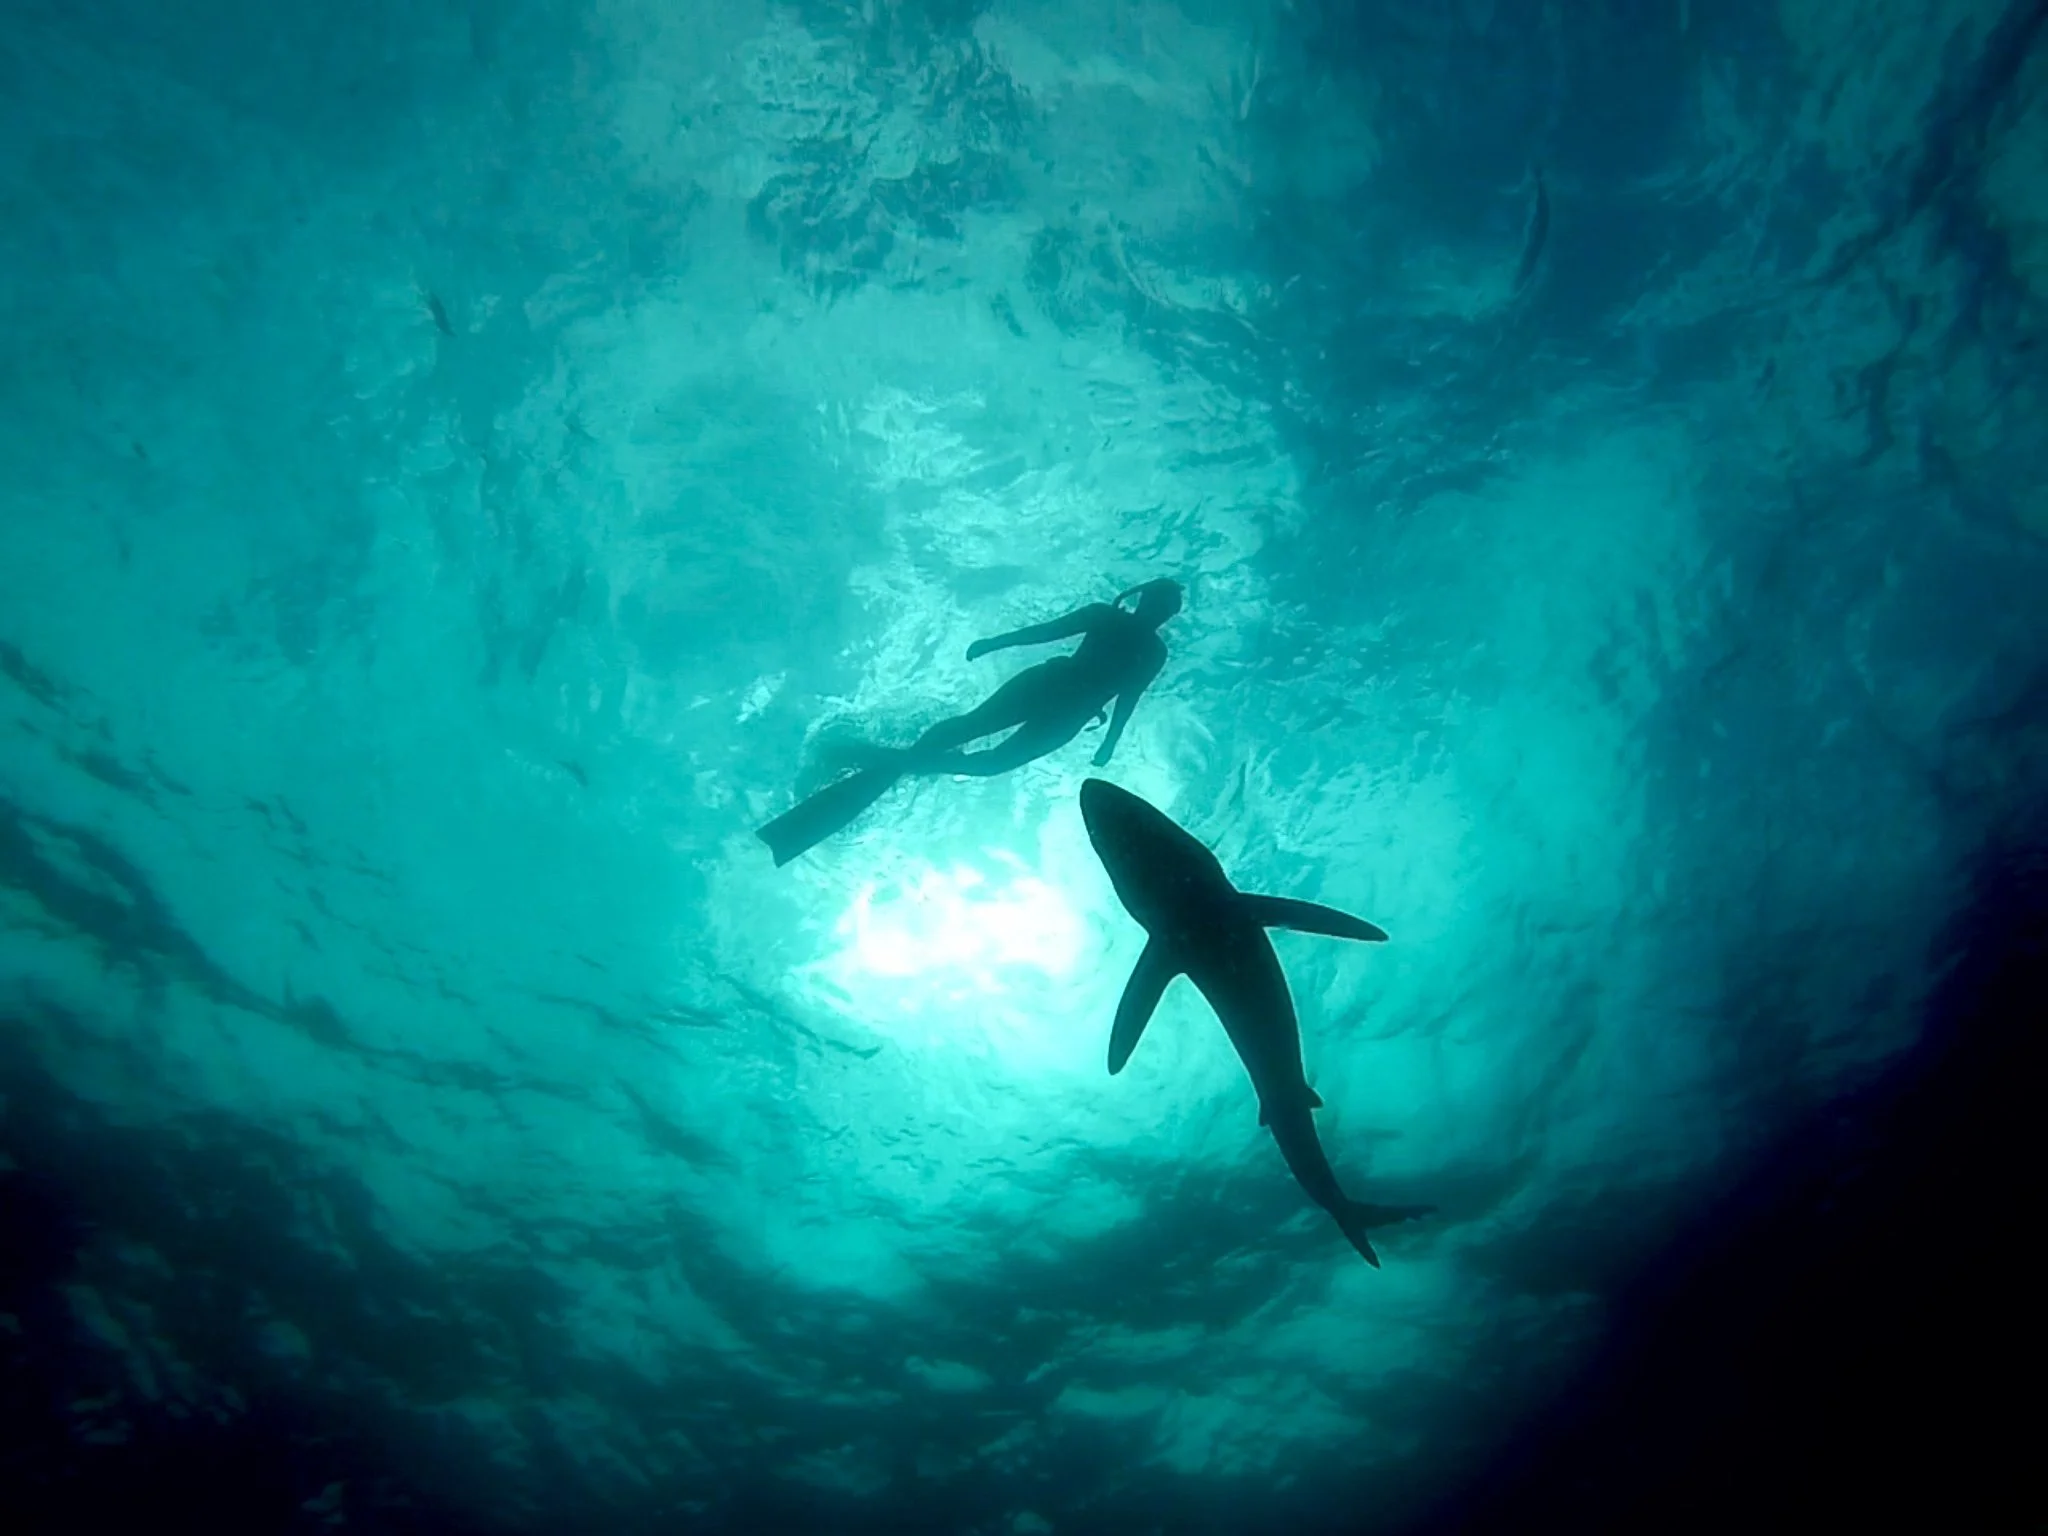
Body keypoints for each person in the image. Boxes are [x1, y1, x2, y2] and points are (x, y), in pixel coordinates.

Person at [756, 578, 1184, 866]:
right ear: (1144, 598)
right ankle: (901, 761)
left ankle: (889, 760)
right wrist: (995, 642)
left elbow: (1130, 697)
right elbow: (1045, 631)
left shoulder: (1154, 653)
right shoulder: (1105, 616)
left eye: (1168, 610)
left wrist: (1110, 741)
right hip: (1051, 684)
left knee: (992, 763)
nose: (1160, 612)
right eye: (1160, 602)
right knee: (968, 727)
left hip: (1070, 715)